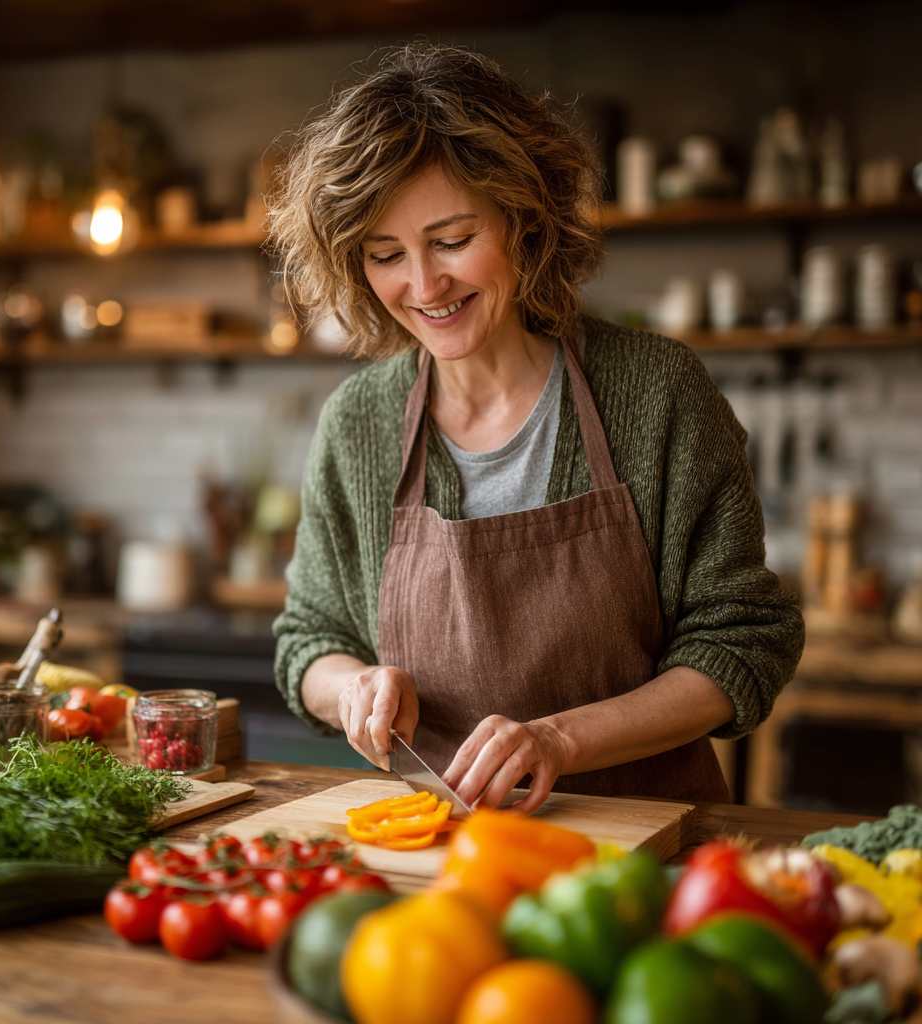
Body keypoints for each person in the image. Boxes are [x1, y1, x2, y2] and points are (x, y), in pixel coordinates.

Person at [268, 44, 803, 813]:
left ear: (524, 218)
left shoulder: (655, 393)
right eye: (386, 255)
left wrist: (559, 740)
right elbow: (309, 640)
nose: (424, 286)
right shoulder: (358, 424)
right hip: (445, 862)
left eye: (452, 240)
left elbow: (743, 642)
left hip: (649, 855)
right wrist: (351, 687)